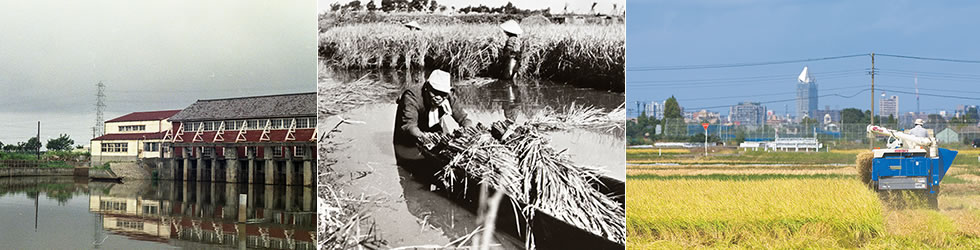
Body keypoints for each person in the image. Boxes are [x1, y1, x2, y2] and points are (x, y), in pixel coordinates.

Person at [393, 70, 473, 164]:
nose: (438, 97)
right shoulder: (412, 96)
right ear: (427, 87)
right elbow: (410, 126)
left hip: (432, 120)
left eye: (443, 94)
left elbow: (464, 119)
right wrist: (425, 138)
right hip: (408, 129)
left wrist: (469, 133)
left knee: (441, 148)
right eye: (435, 92)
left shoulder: (448, 96)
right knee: (407, 158)